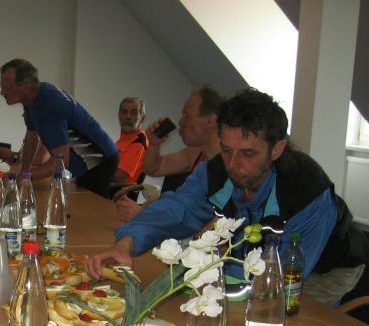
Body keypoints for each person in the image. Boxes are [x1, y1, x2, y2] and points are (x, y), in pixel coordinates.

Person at [88, 88, 369, 307]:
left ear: (277, 149)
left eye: (247, 153)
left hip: (326, 271)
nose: (233, 164)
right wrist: (126, 243)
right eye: (226, 150)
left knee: (289, 322)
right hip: (261, 258)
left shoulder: (307, 192)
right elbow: (177, 208)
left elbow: (278, 280)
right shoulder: (216, 170)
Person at [0, 58, 118, 197]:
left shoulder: (49, 106)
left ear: (25, 86)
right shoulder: (32, 97)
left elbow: (60, 161)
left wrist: (25, 177)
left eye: (7, 88)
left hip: (100, 161)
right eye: (1, 87)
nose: (2, 93)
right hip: (91, 160)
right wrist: (23, 173)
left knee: (87, 207)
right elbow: (31, 139)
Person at [116, 85, 224, 223]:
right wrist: (154, 144)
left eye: (186, 115)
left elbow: (203, 223)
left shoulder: (228, 168)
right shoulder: (196, 153)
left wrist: (144, 215)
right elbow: (153, 168)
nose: (180, 122)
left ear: (211, 121)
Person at [112, 97, 148, 185]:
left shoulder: (138, 142)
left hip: (117, 192)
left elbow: (118, 177)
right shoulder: (124, 140)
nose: (128, 116)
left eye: (134, 113)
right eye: (124, 112)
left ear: (142, 118)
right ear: (119, 115)